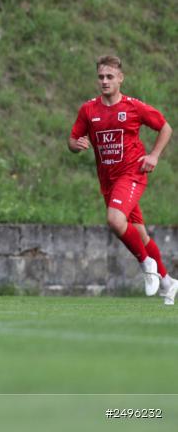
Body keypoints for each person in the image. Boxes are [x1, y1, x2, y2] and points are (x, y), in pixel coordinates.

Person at [69, 55, 176, 305]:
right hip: (109, 180)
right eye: (101, 77)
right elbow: (72, 140)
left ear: (120, 78)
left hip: (132, 174)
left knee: (115, 220)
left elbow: (165, 127)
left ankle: (146, 264)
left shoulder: (133, 107)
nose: (104, 81)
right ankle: (169, 282)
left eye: (109, 77)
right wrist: (77, 144)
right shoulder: (89, 110)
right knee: (138, 232)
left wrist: (154, 156)